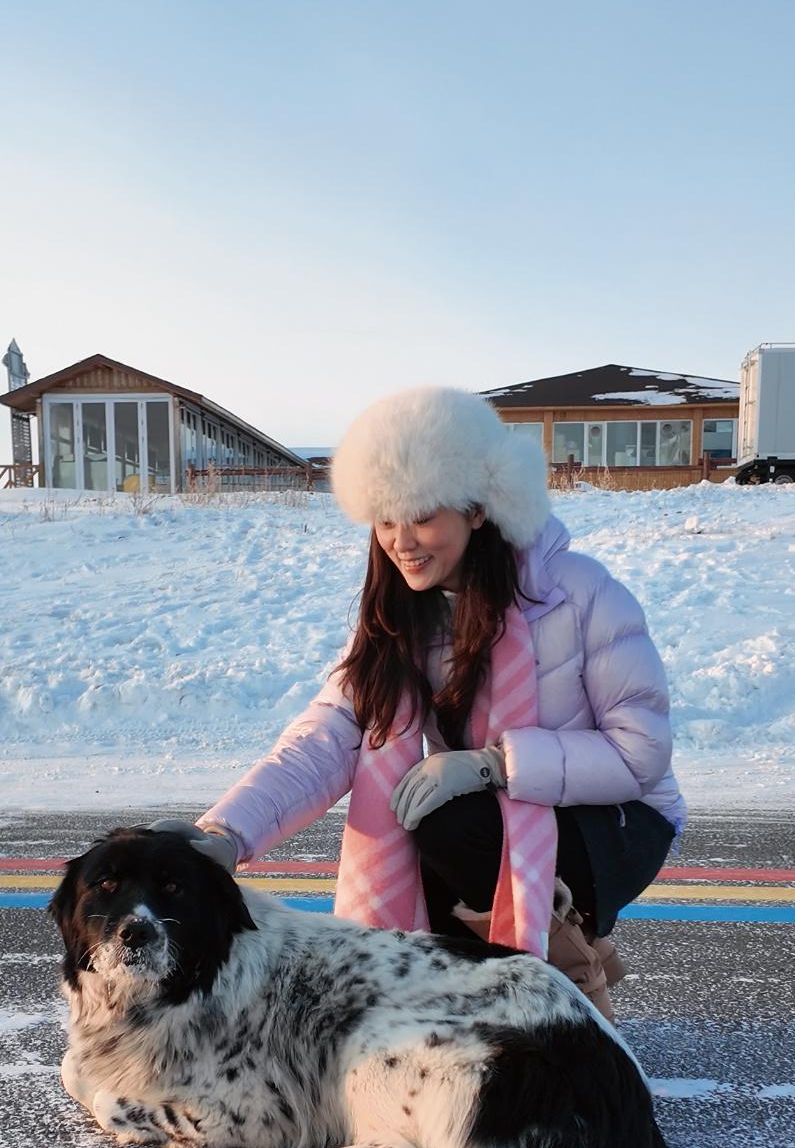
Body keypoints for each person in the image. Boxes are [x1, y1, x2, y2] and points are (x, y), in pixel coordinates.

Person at [162, 387, 684, 1021]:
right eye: (385, 519)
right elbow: (325, 739)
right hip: (500, 821)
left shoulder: (578, 593)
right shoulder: (401, 622)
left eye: (423, 516)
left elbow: (641, 751)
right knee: (410, 836)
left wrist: (494, 762)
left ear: (479, 511)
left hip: (617, 820)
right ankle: (490, 983)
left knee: (448, 823)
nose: (401, 541)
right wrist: (225, 834)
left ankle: (571, 991)